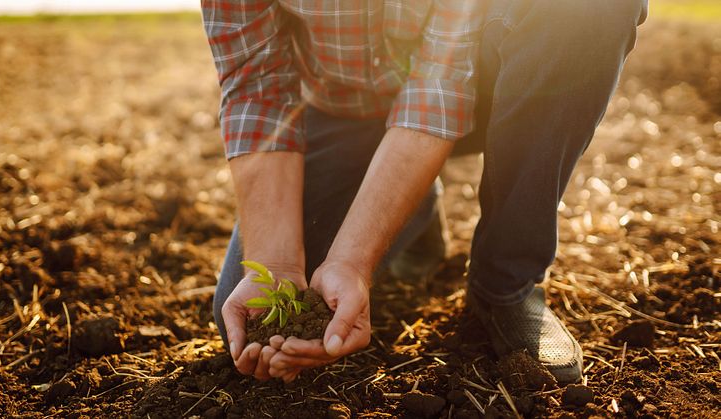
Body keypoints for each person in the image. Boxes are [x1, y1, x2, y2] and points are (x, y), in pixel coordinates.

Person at [203, 0, 648, 384]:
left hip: (475, 86)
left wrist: (352, 262)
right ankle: (414, 209)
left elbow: (438, 85)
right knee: (258, 325)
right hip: (337, 112)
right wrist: (276, 264)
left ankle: (506, 283)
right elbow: (257, 92)